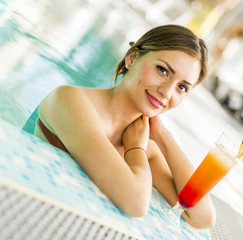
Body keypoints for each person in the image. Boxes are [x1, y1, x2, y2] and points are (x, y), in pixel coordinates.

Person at [33, 24, 216, 229]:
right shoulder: (69, 99)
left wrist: (163, 137)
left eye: (182, 87)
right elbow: (135, 203)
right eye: (163, 70)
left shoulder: (148, 145)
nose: (167, 92)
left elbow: (202, 217)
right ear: (132, 58)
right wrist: (135, 150)